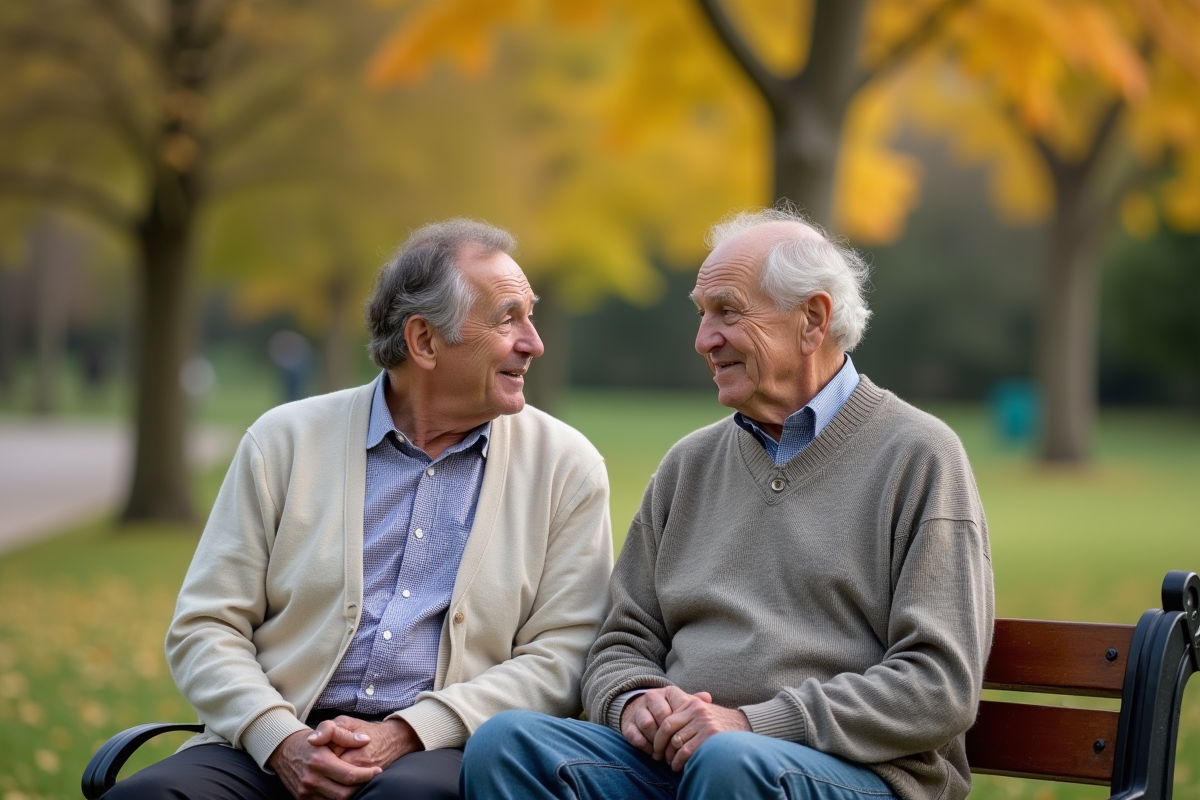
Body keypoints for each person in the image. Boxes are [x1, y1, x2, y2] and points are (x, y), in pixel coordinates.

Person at [462, 207, 994, 800]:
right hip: (684, 764)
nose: (703, 340)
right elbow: (622, 639)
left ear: (812, 320)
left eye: (727, 312)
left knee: (730, 763)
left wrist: (751, 724)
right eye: (702, 315)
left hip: (854, 775)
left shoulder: (918, 456)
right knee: (506, 746)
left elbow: (938, 684)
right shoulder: (688, 466)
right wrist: (635, 699)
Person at [106, 219, 614, 800]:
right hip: (268, 746)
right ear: (424, 341)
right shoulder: (284, 441)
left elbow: (564, 655)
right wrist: (280, 738)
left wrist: (406, 730)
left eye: (531, 314)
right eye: (507, 318)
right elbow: (206, 625)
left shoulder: (566, 467)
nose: (534, 341)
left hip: (440, 752)